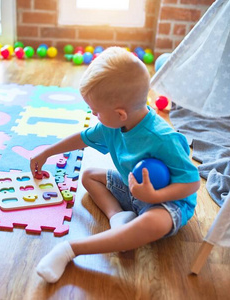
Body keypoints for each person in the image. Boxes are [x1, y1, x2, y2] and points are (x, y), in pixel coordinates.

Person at [29, 47, 201, 283]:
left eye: (96, 111)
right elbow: (81, 138)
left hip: (166, 202)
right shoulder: (113, 125)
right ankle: (118, 219)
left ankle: (71, 250)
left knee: (154, 223)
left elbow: (192, 183)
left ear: (120, 114)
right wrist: (47, 152)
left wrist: (154, 195)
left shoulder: (163, 138)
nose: (93, 114)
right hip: (135, 189)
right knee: (89, 175)